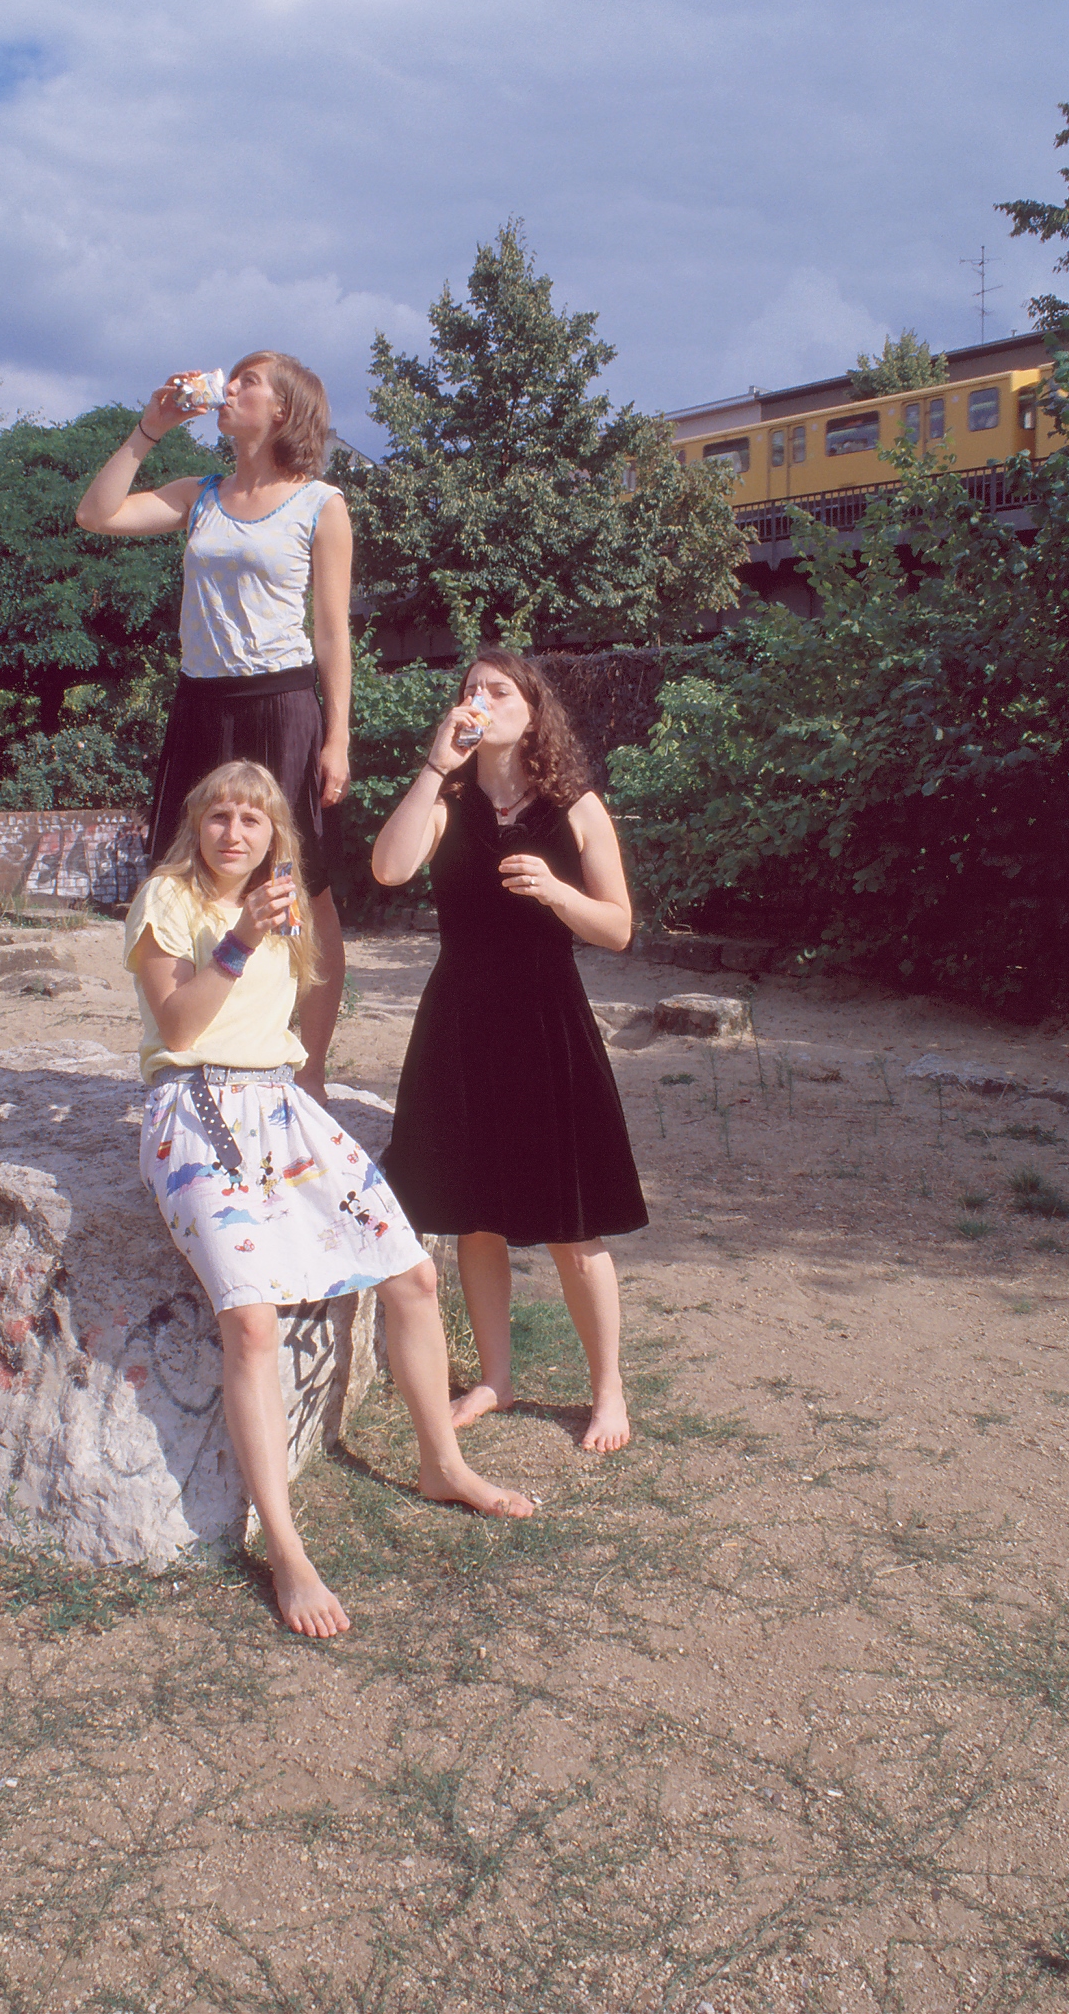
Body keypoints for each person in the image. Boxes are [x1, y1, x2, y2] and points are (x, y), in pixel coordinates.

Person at [125, 758, 534, 1638]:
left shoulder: (291, 902)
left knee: (412, 1272)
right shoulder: (165, 901)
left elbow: (308, 999)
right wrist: (234, 939)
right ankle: (286, 1548)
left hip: (279, 1103)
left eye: (254, 820)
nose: (235, 833)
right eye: (220, 816)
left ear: (276, 836)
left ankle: (441, 1462)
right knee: (252, 1320)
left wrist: (309, 1078)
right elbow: (180, 1027)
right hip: (194, 1109)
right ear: (197, 825)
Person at [370, 650, 648, 1455]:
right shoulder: (447, 798)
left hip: (545, 1021)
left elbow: (621, 928)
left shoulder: (576, 806)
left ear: (532, 708)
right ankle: (496, 1376)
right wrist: (433, 764)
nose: (479, 700)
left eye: (498, 690)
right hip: (459, 1021)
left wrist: (559, 894)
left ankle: (607, 1391)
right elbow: (388, 868)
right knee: (474, 1218)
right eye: (468, 691)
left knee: (571, 1223)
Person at [77, 351, 350, 1103]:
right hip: (201, 701)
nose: (227, 391)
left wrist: (338, 738)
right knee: (183, 869)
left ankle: (312, 1068)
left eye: (247, 383)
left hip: (283, 703)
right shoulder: (199, 494)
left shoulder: (320, 505)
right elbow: (95, 515)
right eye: (229, 381)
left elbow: (331, 634)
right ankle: (191, 1044)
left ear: (284, 409)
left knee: (302, 884)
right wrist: (148, 430)